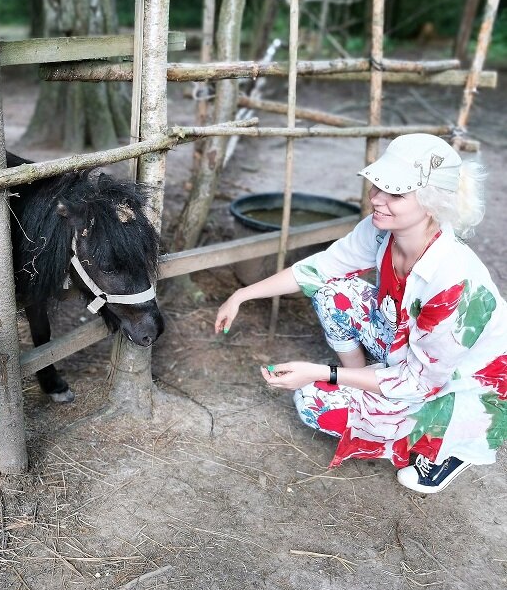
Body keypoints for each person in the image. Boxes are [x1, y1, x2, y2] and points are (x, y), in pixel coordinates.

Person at [214, 133, 507, 494]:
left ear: (431, 203)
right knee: (333, 292)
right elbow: (322, 268)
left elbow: (422, 382)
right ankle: (364, 380)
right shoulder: (382, 230)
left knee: (313, 402)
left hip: (455, 385)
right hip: (410, 350)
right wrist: (242, 294)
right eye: (378, 187)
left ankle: (448, 446)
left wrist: (321, 372)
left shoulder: (454, 281)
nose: (376, 200)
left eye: (395, 194)